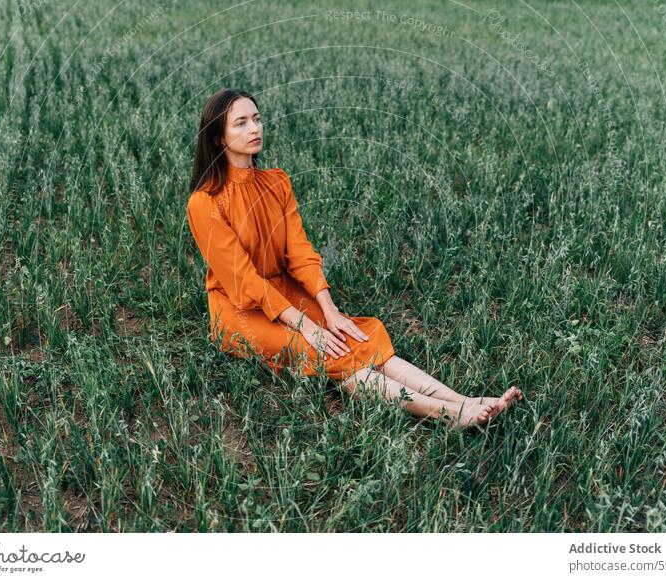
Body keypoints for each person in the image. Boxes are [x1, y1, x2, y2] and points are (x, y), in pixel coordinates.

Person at [186, 88, 523, 430]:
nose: (254, 128)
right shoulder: (205, 203)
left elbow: (300, 252)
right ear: (217, 138)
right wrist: (308, 326)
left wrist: (329, 312)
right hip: (239, 310)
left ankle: (466, 401)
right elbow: (244, 279)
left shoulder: (277, 182)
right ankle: (446, 413)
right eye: (240, 123)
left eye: (256, 119)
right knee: (323, 351)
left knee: (355, 336)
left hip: (284, 292)